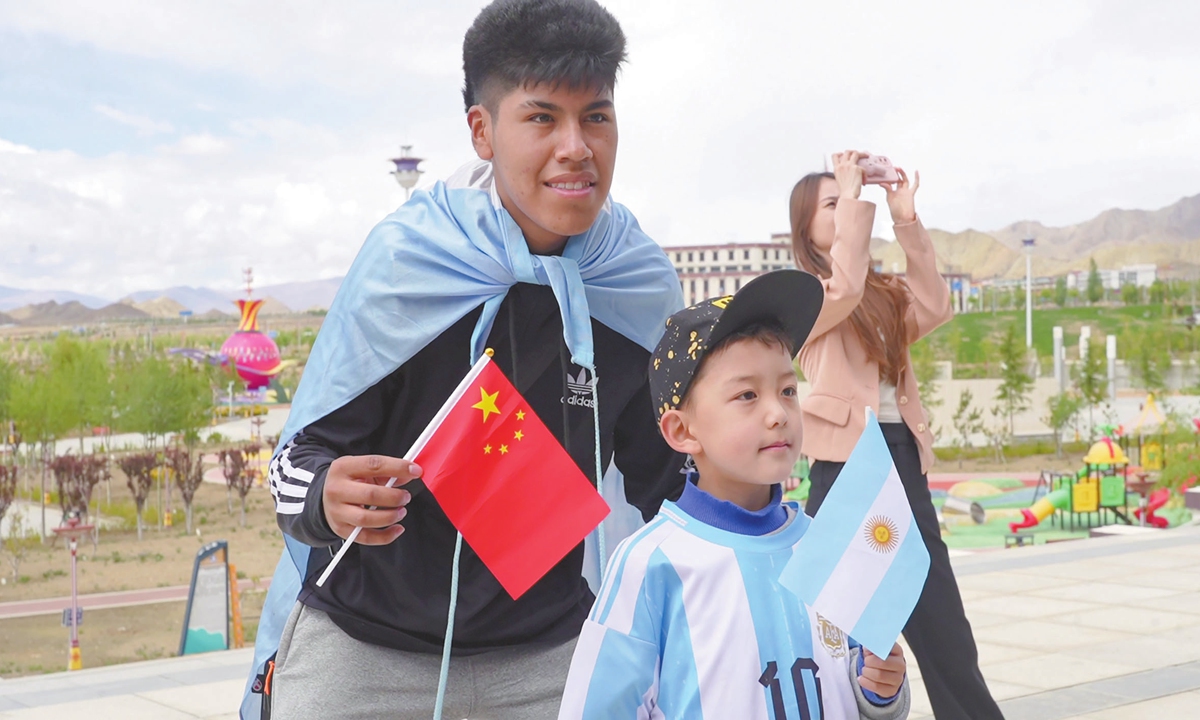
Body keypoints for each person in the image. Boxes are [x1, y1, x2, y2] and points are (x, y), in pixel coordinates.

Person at [242, 1, 688, 718]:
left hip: (552, 656)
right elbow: (295, 462)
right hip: (363, 655)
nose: (575, 146)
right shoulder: (407, 264)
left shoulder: (632, 285)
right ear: (483, 131)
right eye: (542, 117)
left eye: (596, 117)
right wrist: (327, 493)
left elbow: (673, 479)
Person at [558, 270, 911, 720]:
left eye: (787, 390)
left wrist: (882, 690)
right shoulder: (651, 564)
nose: (777, 413)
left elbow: (863, 689)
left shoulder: (827, 548)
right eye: (747, 394)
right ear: (682, 431)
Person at [790, 151, 1003, 719]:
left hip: (899, 453)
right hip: (841, 463)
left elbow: (935, 304)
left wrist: (904, 217)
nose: (846, 205)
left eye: (845, 200)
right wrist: (858, 197)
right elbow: (844, 288)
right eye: (832, 202)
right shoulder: (802, 295)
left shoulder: (881, 292)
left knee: (939, 613)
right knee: (836, 620)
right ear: (805, 226)